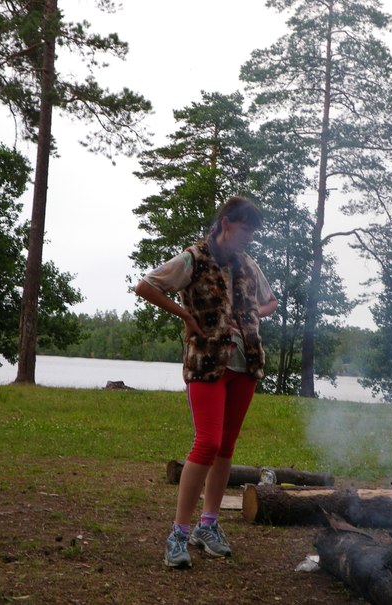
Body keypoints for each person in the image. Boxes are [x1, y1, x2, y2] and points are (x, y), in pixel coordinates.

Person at [134, 196, 278, 569]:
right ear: (226, 223)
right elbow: (147, 286)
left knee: (226, 446)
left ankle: (208, 526)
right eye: (246, 231)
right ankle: (178, 534)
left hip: (245, 364)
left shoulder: (248, 264)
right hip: (207, 362)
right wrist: (186, 315)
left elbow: (271, 302)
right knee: (207, 442)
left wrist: (247, 315)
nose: (250, 239)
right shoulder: (194, 258)